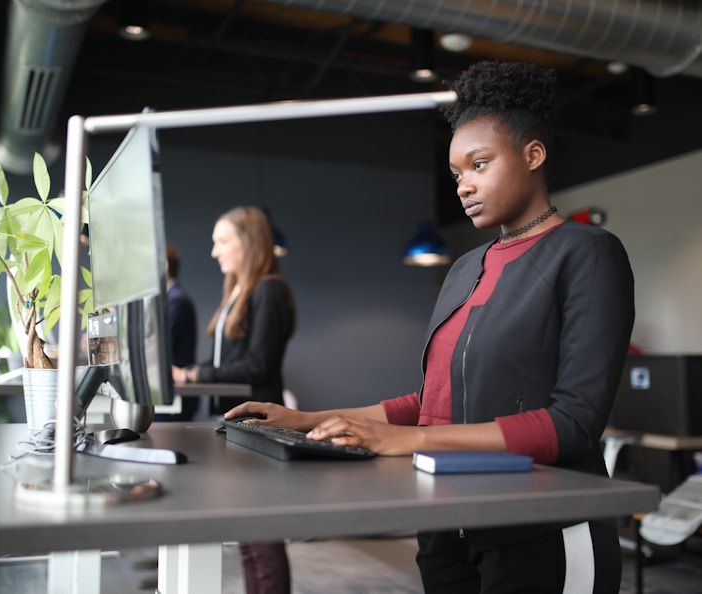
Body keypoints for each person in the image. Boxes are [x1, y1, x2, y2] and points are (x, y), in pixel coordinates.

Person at [225, 61, 635, 594]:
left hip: (540, 527)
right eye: (457, 174)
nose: (464, 185)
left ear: (534, 155)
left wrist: (405, 440)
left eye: (480, 164)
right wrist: (309, 420)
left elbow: (573, 422)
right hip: (448, 525)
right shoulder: (466, 268)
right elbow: (433, 399)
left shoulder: (587, 253)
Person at [175, 206, 297, 594]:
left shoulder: (269, 290)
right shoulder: (239, 292)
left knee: (261, 536)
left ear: (249, 242)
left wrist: (196, 375)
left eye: (222, 241)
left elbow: (257, 366)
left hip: (258, 425)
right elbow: (232, 363)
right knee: (247, 535)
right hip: (235, 425)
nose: (214, 251)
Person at [155, 243, 199, 422]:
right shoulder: (170, 299)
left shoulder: (176, 301)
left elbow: (157, 344)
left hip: (175, 399)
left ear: (164, 265)